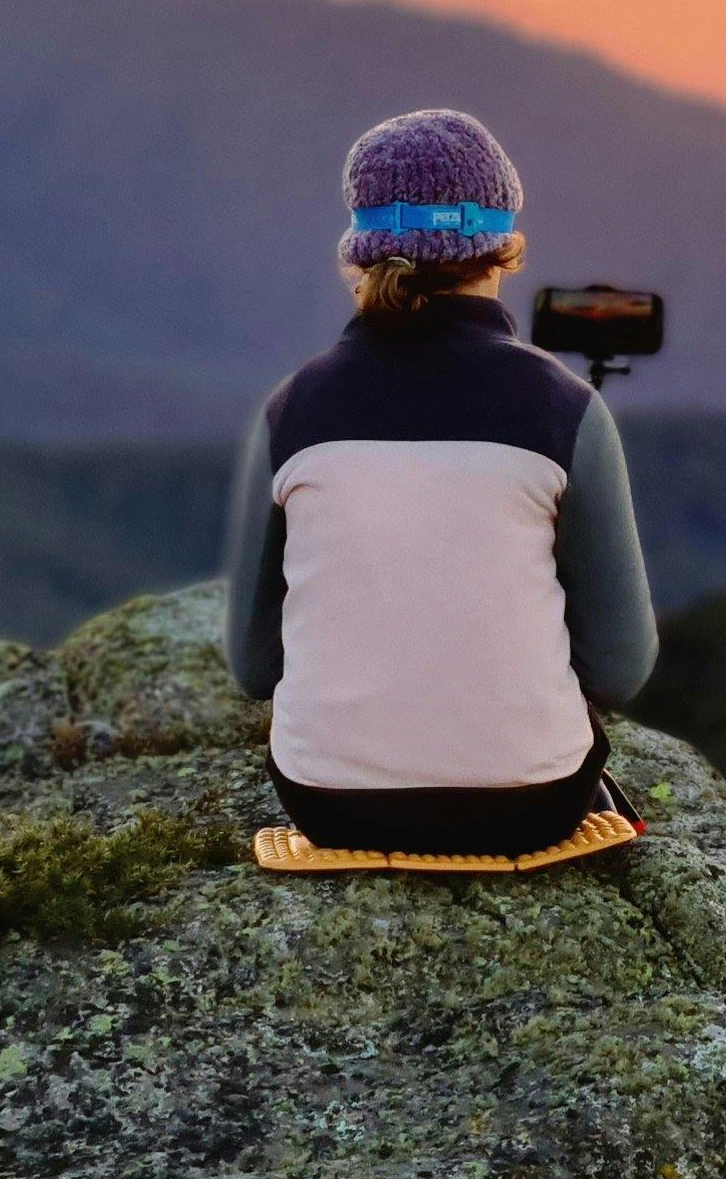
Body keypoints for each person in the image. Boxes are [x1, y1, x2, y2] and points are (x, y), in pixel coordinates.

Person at [220, 109, 656, 858]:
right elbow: (620, 668)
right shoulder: (566, 409)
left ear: (360, 254)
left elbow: (255, 667)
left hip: (330, 805)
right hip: (533, 806)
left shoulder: (292, 409)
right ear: (500, 250)